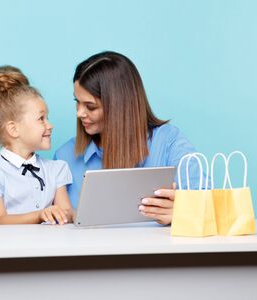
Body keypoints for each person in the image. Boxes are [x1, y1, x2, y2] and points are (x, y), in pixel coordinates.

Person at [54, 51, 203, 225]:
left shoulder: (169, 143)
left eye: (90, 106)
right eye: (77, 102)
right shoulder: (65, 156)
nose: (79, 113)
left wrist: (183, 212)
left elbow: (208, 209)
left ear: (119, 107)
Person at [0, 66, 73, 225]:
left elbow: (67, 214)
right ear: (14, 129)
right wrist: (40, 215)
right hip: (9, 249)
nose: (50, 125)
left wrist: (74, 214)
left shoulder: (55, 170)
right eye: (41, 119)